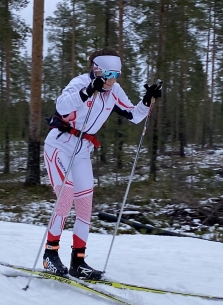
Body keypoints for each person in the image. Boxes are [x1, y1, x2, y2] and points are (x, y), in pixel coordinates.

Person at [42, 48, 162, 279]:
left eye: (116, 75)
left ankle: (78, 262)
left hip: (82, 150)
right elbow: (62, 107)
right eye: (108, 74)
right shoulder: (79, 83)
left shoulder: (114, 90)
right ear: (96, 69)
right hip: (60, 145)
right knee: (65, 200)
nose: (112, 80)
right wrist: (88, 91)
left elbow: (134, 115)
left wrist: (147, 101)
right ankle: (50, 255)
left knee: (85, 206)